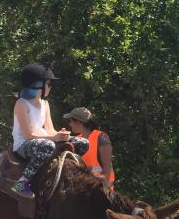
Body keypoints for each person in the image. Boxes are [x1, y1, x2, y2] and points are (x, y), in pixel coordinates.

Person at [11, 63, 90, 198]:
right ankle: (21, 184)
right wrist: (54, 138)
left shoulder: (45, 104)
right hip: (23, 144)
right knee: (48, 145)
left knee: (83, 142)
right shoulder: (21, 104)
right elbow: (27, 134)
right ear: (37, 85)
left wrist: (61, 135)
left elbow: (50, 130)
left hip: (44, 141)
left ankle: (68, 173)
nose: (50, 87)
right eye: (48, 84)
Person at [64, 107, 115, 188]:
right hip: (86, 189)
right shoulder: (77, 140)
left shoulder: (101, 137)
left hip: (102, 190)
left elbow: (107, 168)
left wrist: (102, 188)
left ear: (78, 122)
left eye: (70, 121)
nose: (69, 124)